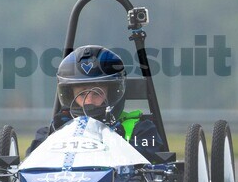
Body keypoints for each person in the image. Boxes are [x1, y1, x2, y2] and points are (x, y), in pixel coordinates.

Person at [27, 45, 166, 161]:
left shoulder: (140, 130)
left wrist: (114, 137)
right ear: (69, 94)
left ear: (112, 93)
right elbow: (31, 166)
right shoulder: (53, 131)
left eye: (97, 93)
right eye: (81, 93)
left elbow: (148, 163)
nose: (89, 101)